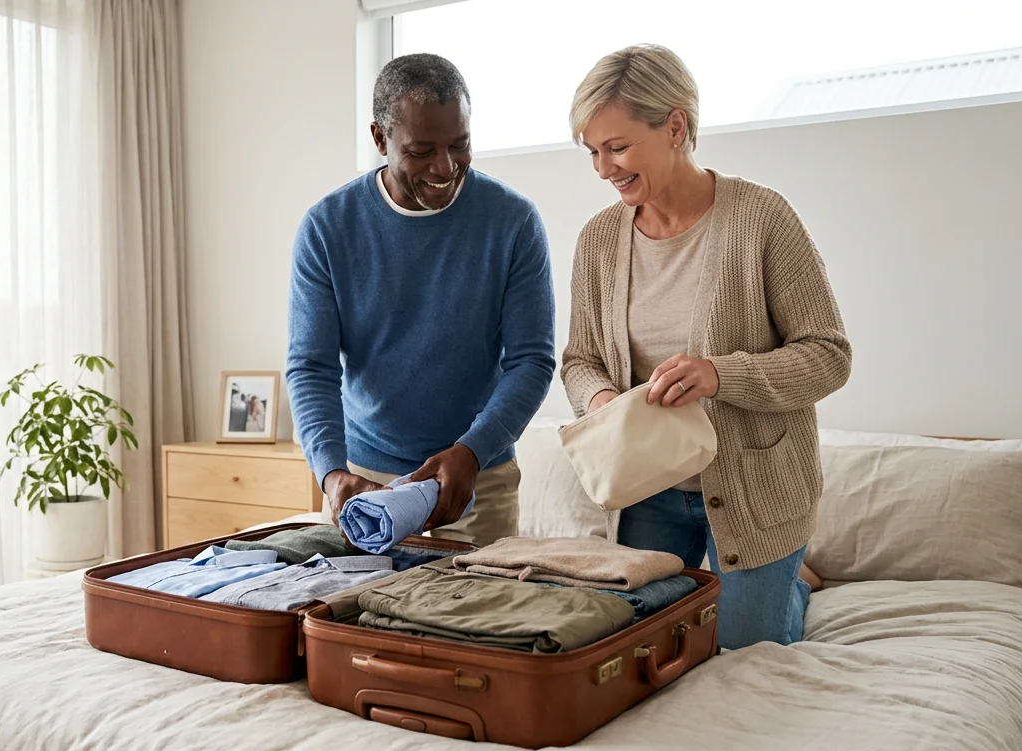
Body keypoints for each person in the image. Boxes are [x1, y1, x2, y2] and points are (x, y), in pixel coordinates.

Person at [561, 44, 850, 649]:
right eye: (592, 151)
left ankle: (788, 582)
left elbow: (828, 354)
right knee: (632, 647)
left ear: (675, 126)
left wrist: (721, 375)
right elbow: (580, 360)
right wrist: (604, 401)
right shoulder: (598, 241)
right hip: (649, 486)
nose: (603, 168)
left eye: (616, 147)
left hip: (757, 487)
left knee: (741, 651)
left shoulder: (762, 219)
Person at [286, 53, 556, 547]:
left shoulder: (512, 221)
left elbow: (532, 361)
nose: (444, 167)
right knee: (358, 623)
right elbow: (311, 367)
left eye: (460, 145)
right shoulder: (327, 228)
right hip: (368, 483)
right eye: (421, 150)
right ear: (379, 139)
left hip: (477, 481)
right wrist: (330, 472)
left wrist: (471, 452)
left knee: (475, 622)